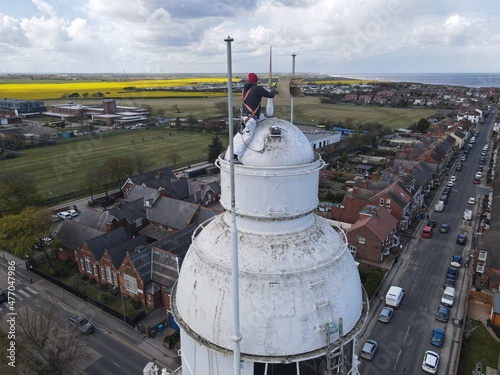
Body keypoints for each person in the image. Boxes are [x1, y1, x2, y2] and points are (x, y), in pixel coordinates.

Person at [232, 72, 276, 163]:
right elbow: (271, 95)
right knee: (247, 137)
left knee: (262, 118)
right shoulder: (257, 89)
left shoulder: (245, 89)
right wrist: (273, 88)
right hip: (251, 118)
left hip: (247, 115)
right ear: (256, 81)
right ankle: (235, 156)